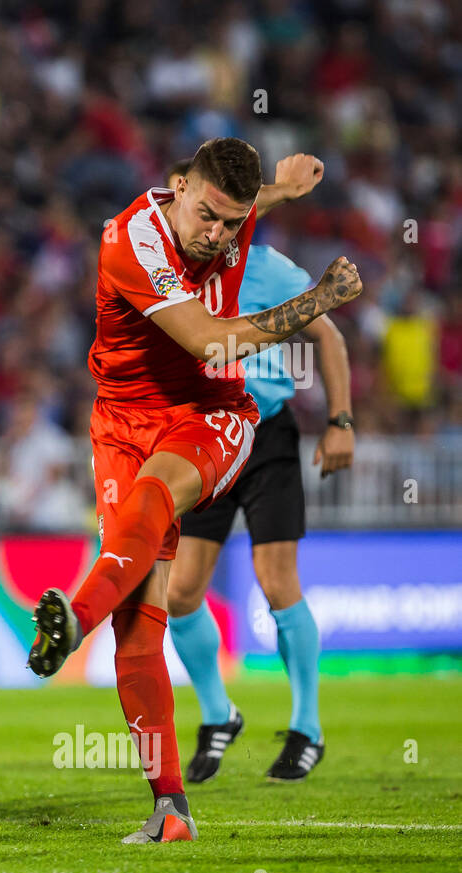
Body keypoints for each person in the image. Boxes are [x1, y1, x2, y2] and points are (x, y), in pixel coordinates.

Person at [26, 138, 362, 843]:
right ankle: (170, 808)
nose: (219, 235)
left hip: (214, 416)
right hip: (120, 422)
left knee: (159, 498)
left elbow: (238, 215)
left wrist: (280, 190)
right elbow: (210, 340)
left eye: (233, 223)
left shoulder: (225, 216)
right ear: (177, 187)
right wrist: (318, 298)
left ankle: (73, 620)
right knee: (140, 628)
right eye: (208, 215)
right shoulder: (129, 241)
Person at [162, 160, 355, 783]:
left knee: (276, 581)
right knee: (181, 592)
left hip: (264, 433)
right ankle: (219, 715)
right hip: (203, 437)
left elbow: (328, 338)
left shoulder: (268, 269)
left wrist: (340, 421)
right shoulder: (166, 268)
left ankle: (307, 727)